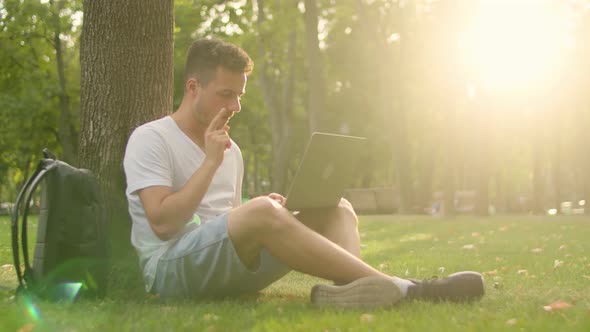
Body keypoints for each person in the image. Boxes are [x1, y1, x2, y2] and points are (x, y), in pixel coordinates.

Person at [123, 38, 484, 308]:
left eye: (240, 96)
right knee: (262, 212)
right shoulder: (151, 138)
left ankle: (348, 294)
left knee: (338, 208)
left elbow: (225, 222)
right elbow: (163, 224)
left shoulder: (231, 152)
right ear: (192, 88)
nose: (234, 106)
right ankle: (409, 289)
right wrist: (211, 164)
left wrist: (265, 209)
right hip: (169, 272)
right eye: (225, 94)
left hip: (228, 267)